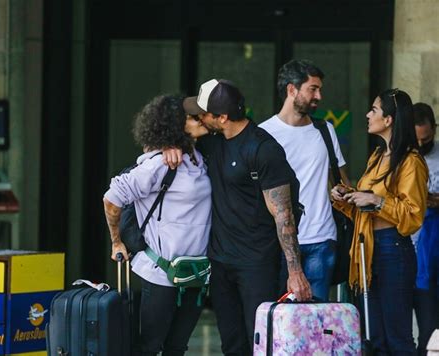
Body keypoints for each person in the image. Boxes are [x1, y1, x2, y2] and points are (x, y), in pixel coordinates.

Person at [165, 79, 311, 355]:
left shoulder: (263, 149)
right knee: (232, 344)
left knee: (262, 342)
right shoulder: (213, 141)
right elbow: (174, 131)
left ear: (221, 117)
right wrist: (168, 146)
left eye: (202, 114)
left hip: (256, 265)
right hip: (220, 264)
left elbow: (284, 215)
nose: (197, 119)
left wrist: (295, 272)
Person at [103, 94, 212, 356]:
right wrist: (116, 241)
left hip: (195, 274)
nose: (201, 120)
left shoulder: (200, 155)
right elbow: (112, 198)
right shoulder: (160, 164)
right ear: (176, 125)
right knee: (149, 347)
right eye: (193, 117)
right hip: (161, 274)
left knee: (177, 347)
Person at [331, 89, 428, 355]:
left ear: (389, 120)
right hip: (367, 248)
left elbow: (413, 216)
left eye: (373, 109)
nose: (367, 114)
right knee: (374, 339)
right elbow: (365, 208)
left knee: (397, 337)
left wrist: (376, 201)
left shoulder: (410, 161)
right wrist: (345, 197)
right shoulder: (377, 156)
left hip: (392, 249)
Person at [259, 59, 349, 301]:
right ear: (292, 90)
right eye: (313, 89)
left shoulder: (325, 130)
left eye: (320, 89)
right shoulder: (264, 135)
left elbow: (340, 181)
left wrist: (342, 193)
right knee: (282, 325)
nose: (319, 96)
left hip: (322, 239)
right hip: (278, 244)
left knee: (316, 323)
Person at [412, 102, 439, 356]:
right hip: (405, 246)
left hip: (432, 245)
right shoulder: (402, 157)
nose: (422, 145)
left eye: (427, 139)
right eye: (417, 140)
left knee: (430, 328)